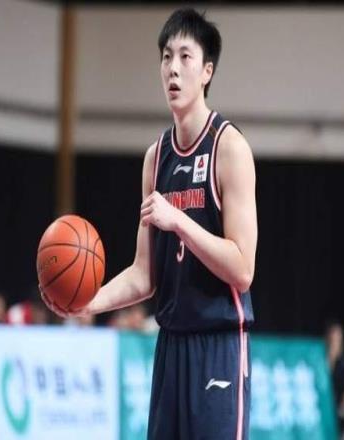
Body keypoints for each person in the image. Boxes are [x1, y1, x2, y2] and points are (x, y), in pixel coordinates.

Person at [42, 8, 257, 439]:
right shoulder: (155, 159)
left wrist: (179, 221)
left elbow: (242, 269)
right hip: (170, 346)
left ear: (207, 71)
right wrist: (88, 303)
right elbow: (145, 275)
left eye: (185, 57)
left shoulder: (229, 148)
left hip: (219, 346)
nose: (173, 68)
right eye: (165, 57)